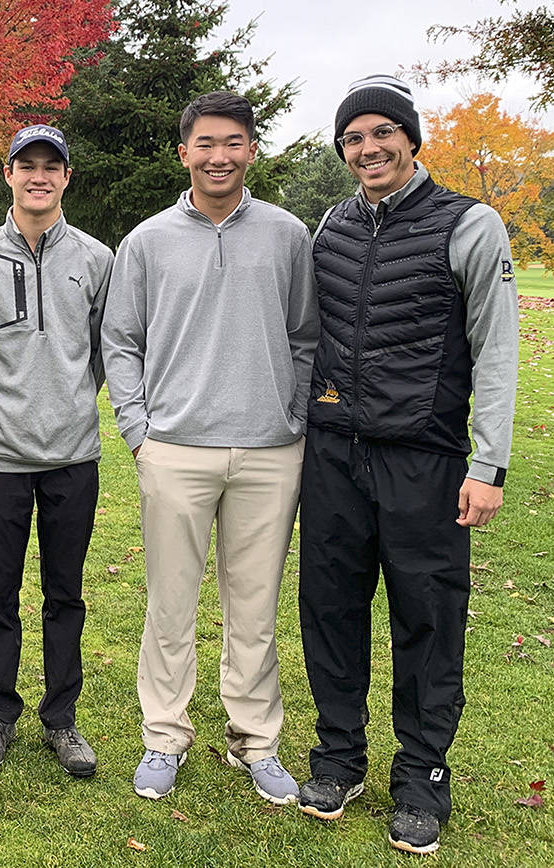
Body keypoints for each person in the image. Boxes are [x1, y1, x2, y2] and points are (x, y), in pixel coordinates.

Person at [297, 74, 519, 856]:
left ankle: (422, 775)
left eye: (381, 132)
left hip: (424, 459)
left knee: (427, 619)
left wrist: (488, 465)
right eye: (353, 138)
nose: (368, 148)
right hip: (332, 454)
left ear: (410, 139)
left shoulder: (470, 223)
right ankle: (339, 756)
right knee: (329, 606)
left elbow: (496, 353)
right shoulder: (331, 224)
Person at [102, 91, 318, 806]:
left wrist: (290, 415)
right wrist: (139, 430)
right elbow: (120, 342)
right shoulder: (147, 240)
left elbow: (305, 338)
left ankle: (254, 741)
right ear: (184, 152)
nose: (219, 156)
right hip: (175, 450)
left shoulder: (288, 235)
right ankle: (164, 735)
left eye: (233, 143)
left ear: (251, 149)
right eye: (205, 144)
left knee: (254, 608)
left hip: (269, 452)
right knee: (170, 604)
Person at [0, 124, 112, 778]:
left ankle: (61, 718)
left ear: (66, 177)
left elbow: (103, 351)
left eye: (52, 165)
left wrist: (72, 400)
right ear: (8, 174)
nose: (38, 175)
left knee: (64, 593)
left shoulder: (98, 260)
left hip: (73, 452)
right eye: (27, 165)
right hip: (0, 455)